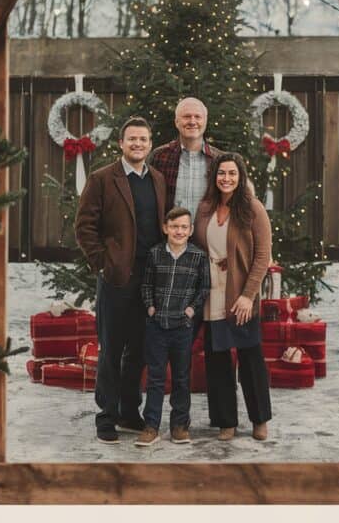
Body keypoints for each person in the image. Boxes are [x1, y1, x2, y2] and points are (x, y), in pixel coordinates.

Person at [74, 116, 166, 444]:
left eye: (143, 139)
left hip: (148, 279)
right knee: (112, 350)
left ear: (150, 144)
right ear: (121, 144)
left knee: (139, 350)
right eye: (132, 139)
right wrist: (103, 263)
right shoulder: (102, 179)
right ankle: (106, 416)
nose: (137, 144)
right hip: (116, 278)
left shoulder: (156, 179)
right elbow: (84, 226)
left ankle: (130, 411)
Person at [193, 151, 272, 442]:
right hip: (212, 292)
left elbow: (262, 256)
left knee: (251, 359)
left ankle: (259, 420)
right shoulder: (204, 209)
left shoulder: (252, 209)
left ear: (240, 177)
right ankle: (226, 421)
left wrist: (248, 296)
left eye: (232, 174)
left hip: (240, 293)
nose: (227, 178)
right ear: (214, 177)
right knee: (218, 361)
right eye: (222, 173)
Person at [135, 206, 210, 447]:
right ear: (166, 228)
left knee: (181, 378)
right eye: (174, 226)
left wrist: (191, 310)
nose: (179, 231)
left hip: (182, 327)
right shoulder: (155, 254)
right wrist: (150, 307)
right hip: (157, 325)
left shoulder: (198, 256)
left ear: (190, 231)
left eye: (184, 227)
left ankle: (179, 425)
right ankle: (151, 426)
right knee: (156, 378)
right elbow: (146, 284)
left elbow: (204, 288)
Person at [150, 97, 221, 216]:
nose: (192, 121)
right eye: (186, 116)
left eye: (198, 117)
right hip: (169, 233)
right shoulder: (159, 156)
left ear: (205, 121)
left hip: (207, 234)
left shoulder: (219, 160)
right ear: (176, 122)